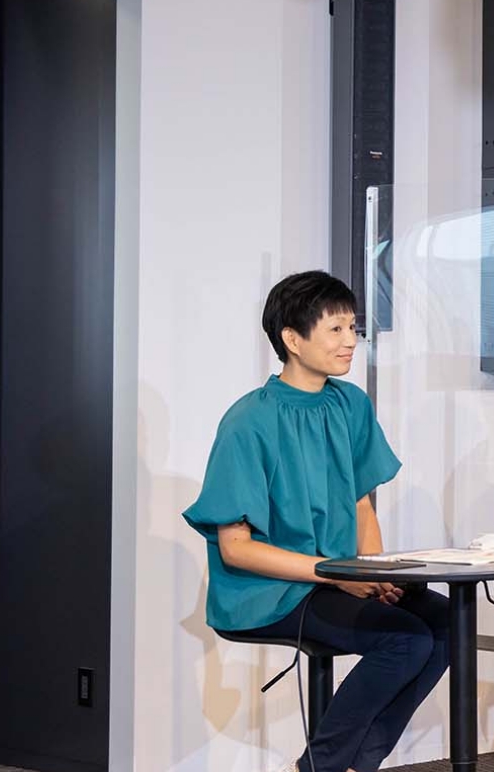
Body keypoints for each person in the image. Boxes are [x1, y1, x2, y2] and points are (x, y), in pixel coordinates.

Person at [184, 271, 448, 772]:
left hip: (338, 576)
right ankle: (319, 767)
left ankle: (355, 762)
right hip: (268, 591)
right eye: (336, 330)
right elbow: (237, 548)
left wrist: (375, 576)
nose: (351, 341)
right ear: (292, 339)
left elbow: (361, 505)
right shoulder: (248, 422)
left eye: (353, 328)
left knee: (447, 621)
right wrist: (339, 575)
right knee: (405, 639)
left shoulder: (350, 404)